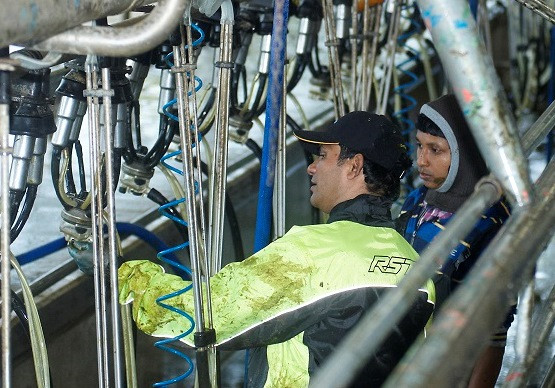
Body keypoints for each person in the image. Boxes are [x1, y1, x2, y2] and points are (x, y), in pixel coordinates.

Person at [118, 111, 435, 387]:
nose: (311, 168)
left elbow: (205, 314)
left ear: (354, 166)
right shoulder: (416, 266)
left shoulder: (313, 253)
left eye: (322, 156)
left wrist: (129, 276)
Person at [396, 94, 514, 388]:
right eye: (420, 145)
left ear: (467, 152)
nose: (420, 160)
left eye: (435, 150)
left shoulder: (489, 221)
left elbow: (493, 333)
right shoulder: (418, 198)